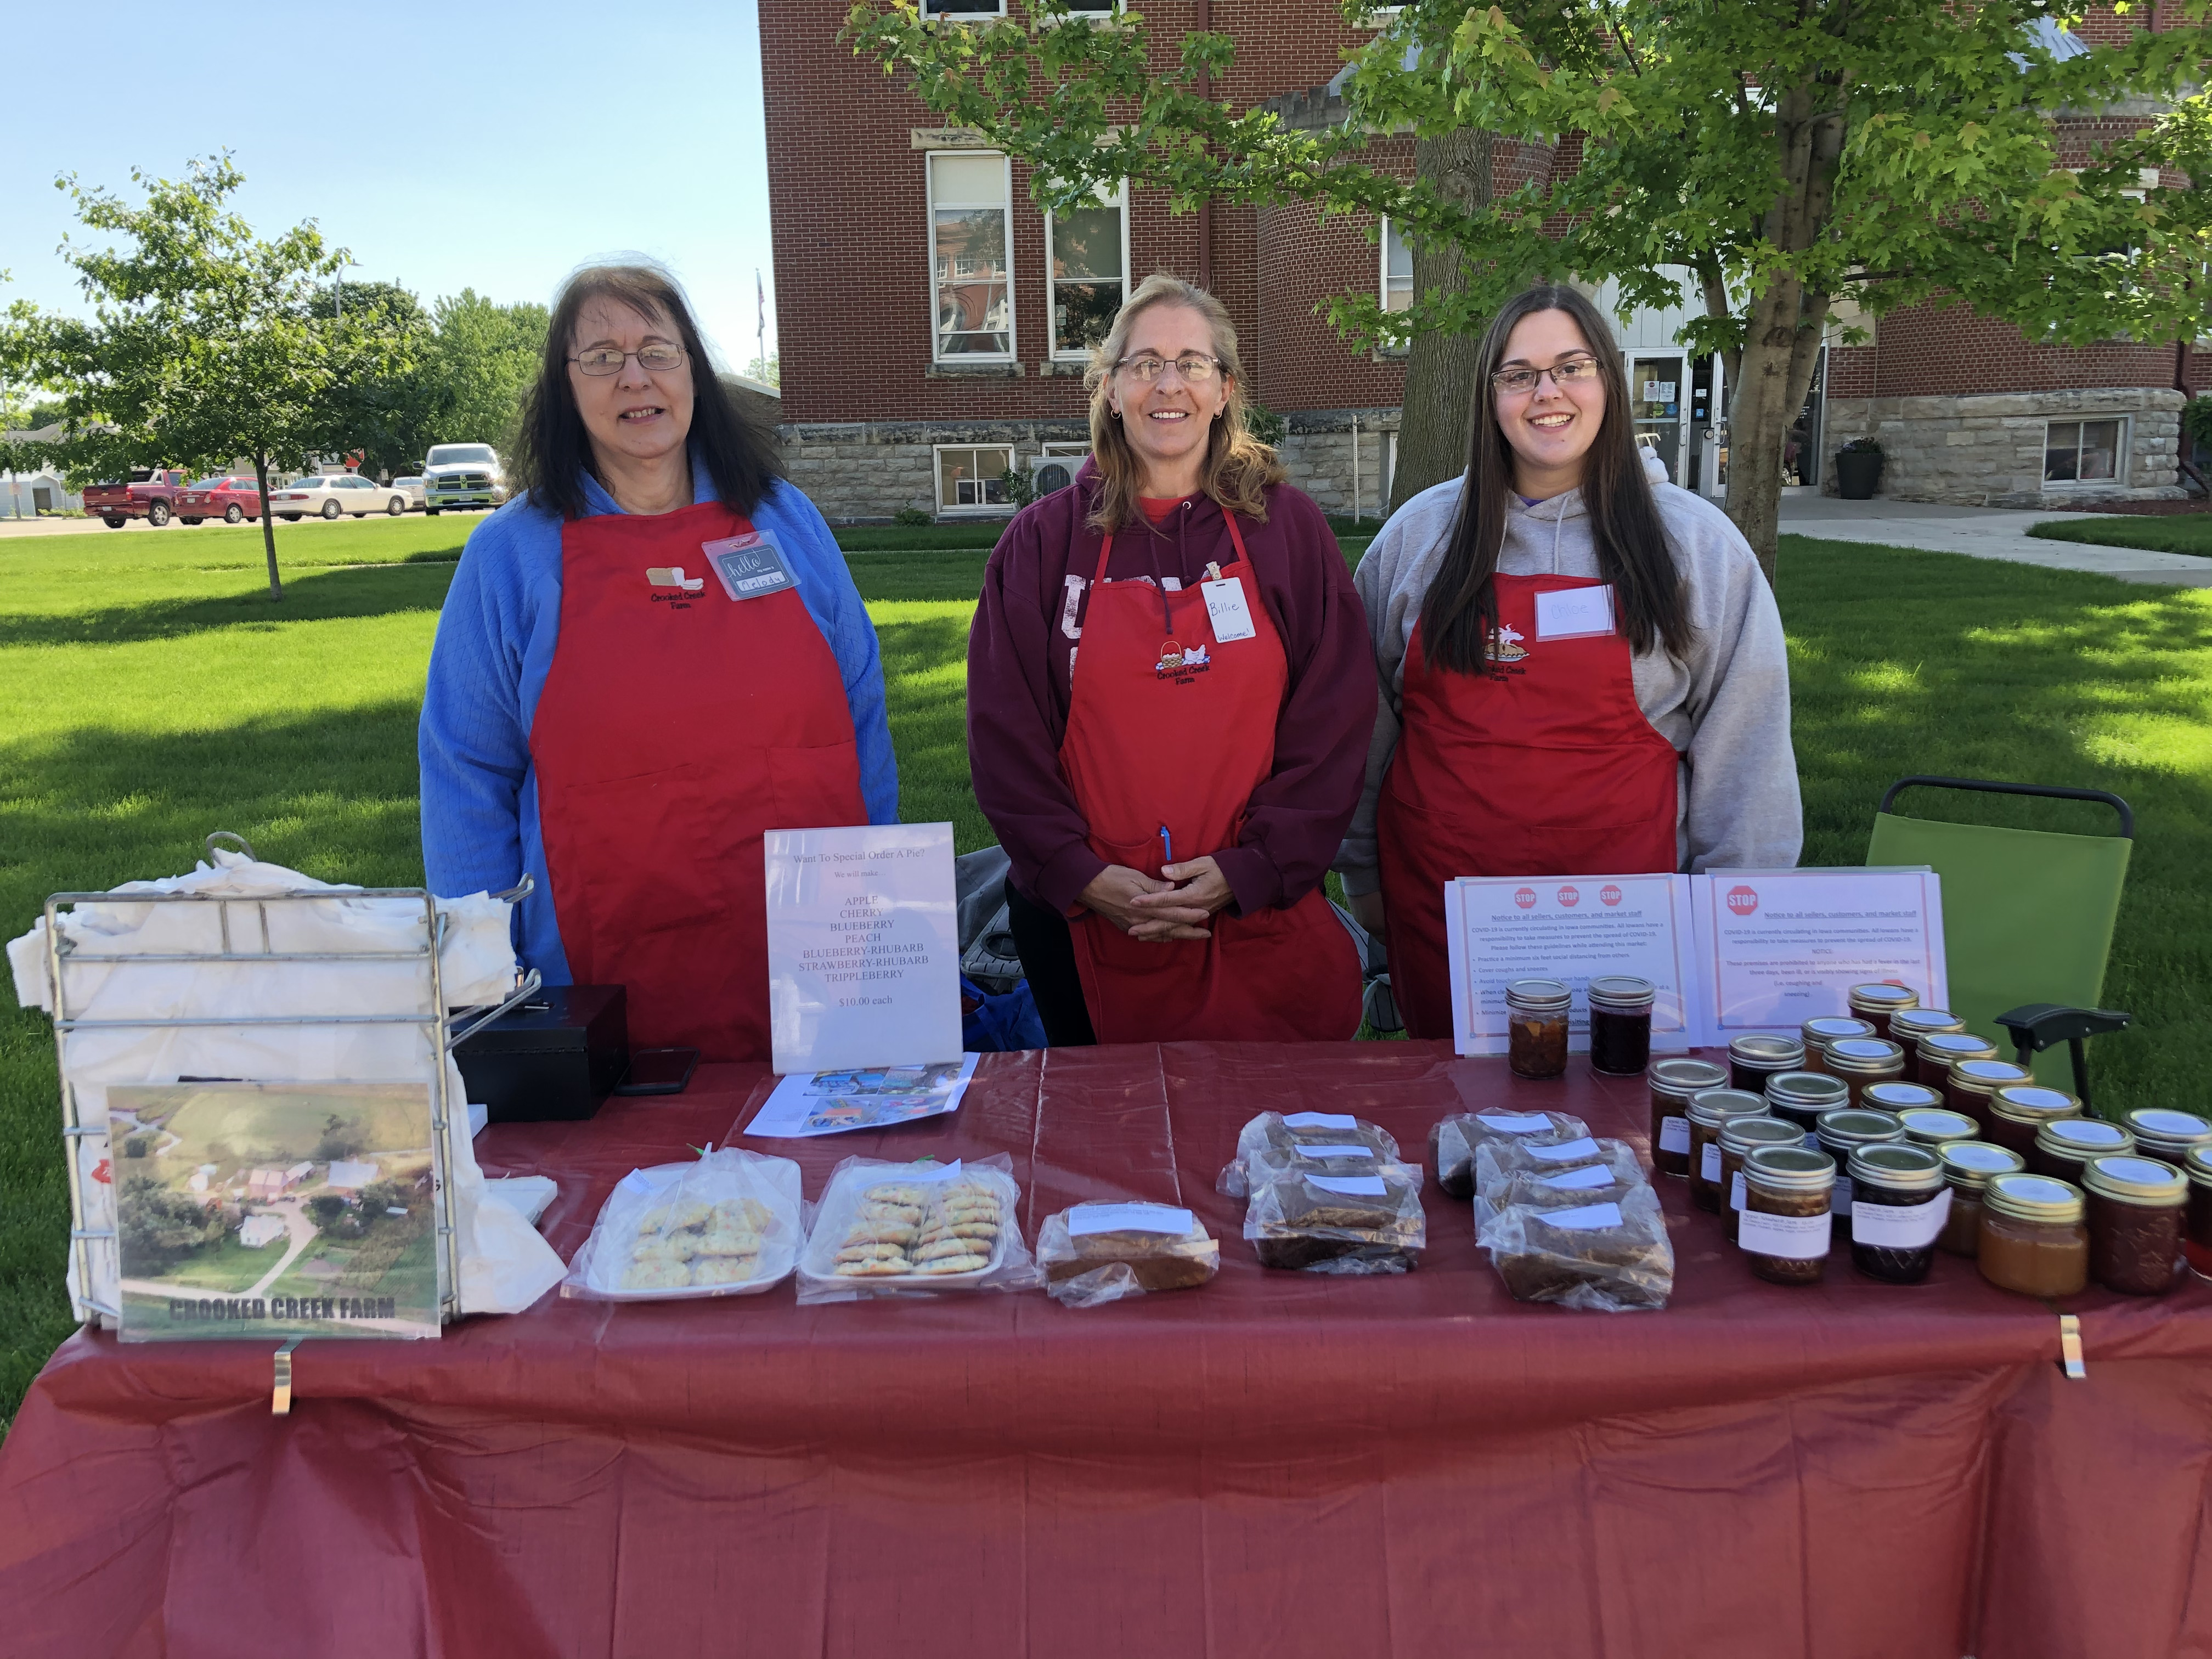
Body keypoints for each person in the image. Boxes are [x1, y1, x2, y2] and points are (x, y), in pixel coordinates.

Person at [419, 263, 896, 1060]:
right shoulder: (511, 556)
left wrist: (881, 892)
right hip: (599, 980)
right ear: (565, 385)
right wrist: (480, 977)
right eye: (602, 356)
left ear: (694, 373)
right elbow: (465, 773)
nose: (634, 377)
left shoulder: (785, 519)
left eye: (657, 350)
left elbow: (862, 712)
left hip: (815, 955)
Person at [1338, 283, 1799, 1041]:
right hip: (1444, 920)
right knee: (1456, 1138)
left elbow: (1747, 760)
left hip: (1627, 937)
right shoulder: (1420, 539)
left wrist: (1735, 920)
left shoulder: (1697, 548)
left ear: (1609, 384)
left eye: (1571, 367)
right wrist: (1365, 884)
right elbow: (1360, 731)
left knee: (1615, 1141)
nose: (1546, 393)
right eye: (1519, 375)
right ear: (1491, 398)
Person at [968, 274, 1376, 1047]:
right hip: (1085, 923)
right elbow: (1004, 735)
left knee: (1266, 1149)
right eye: (1144, 362)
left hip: (1257, 910)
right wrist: (1080, 876)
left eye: (1192, 363)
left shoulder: (1284, 531)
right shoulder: (1041, 544)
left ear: (1224, 390)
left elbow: (1335, 717)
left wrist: (1253, 868)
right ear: (1111, 387)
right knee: (1109, 1150)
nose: (1168, 384)